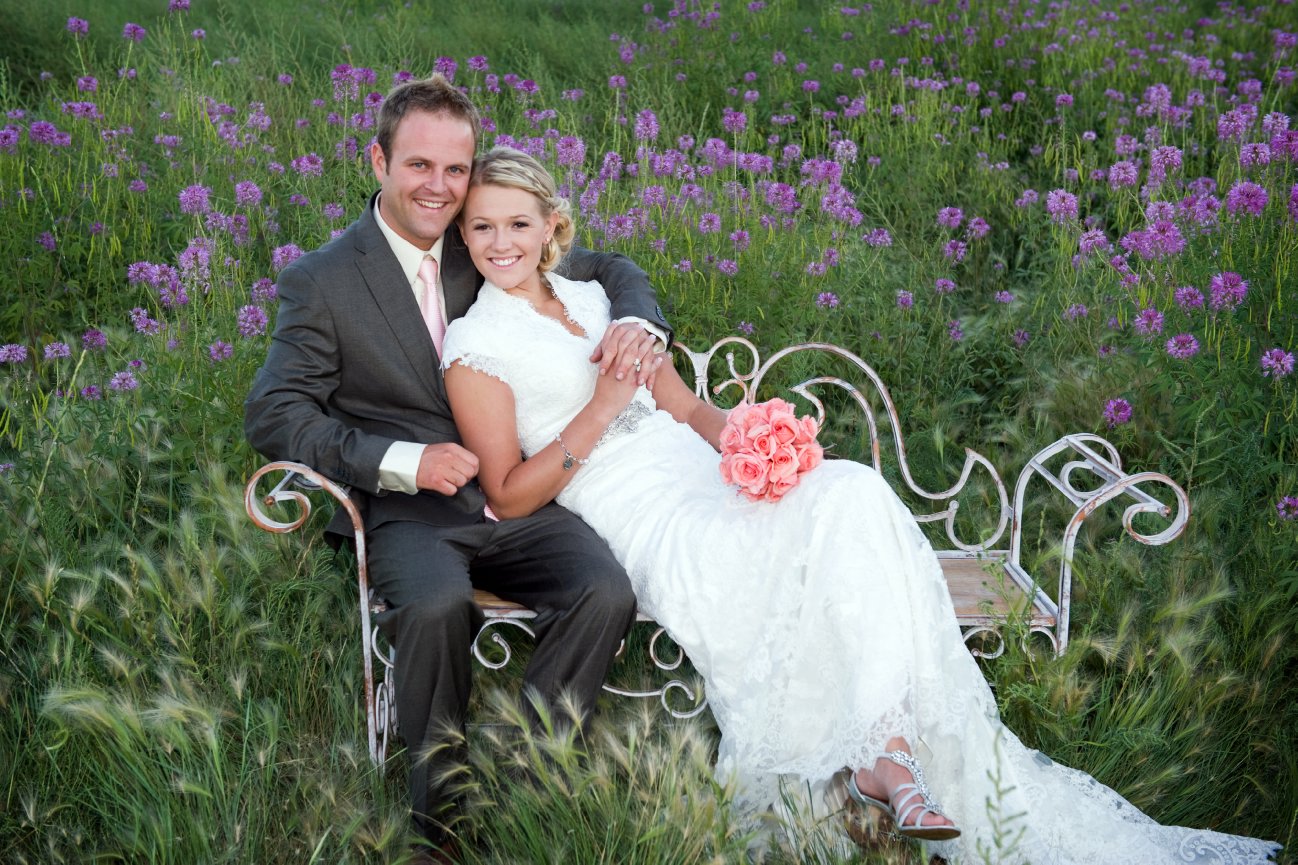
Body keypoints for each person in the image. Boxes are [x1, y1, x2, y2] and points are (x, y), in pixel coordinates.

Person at [439, 146, 1282, 864]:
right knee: (796, 535)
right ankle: (873, 763)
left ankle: (888, 751)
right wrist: (598, 410)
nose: (500, 242)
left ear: (553, 226)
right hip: (637, 510)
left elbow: (686, 407)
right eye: (481, 227)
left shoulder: (593, 301)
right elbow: (509, 493)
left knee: (847, 488)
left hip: (695, 469)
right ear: (462, 236)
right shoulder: (479, 345)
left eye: (518, 223)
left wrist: (753, 436)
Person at [243, 76, 672, 853]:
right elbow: (274, 412)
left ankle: (529, 783)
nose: (438, 187)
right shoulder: (324, 279)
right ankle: (441, 822)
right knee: (437, 603)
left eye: (455, 168)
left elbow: (610, 270)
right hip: (413, 512)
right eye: (419, 165)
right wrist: (402, 460)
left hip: (520, 493)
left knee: (603, 589)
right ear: (379, 161)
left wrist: (640, 324)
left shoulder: (481, 240)